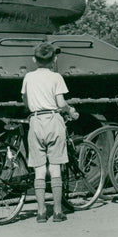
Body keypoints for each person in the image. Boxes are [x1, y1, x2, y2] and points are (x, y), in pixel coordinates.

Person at [20, 42, 78, 223]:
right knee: (55, 168)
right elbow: (61, 103)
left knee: (39, 170)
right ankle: (58, 212)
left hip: (35, 121)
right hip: (53, 120)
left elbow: (25, 100)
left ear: (33, 59)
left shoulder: (28, 77)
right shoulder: (56, 77)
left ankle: (41, 212)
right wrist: (71, 111)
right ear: (54, 60)